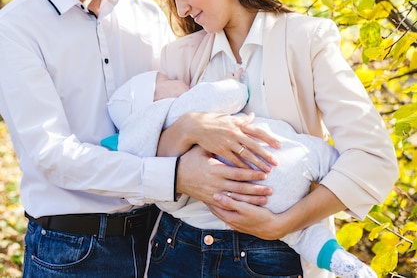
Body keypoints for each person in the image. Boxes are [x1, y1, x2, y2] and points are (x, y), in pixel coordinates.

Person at [0, 0, 277, 278]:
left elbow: (185, 102)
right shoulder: (15, 29)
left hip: (164, 243)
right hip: (72, 251)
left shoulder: (147, 16)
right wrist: (175, 176)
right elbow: (51, 155)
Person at [144, 0, 399, 278]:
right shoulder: (179, 57)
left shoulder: (305, 40)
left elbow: (373, 158)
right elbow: (149, 163)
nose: (182, 10)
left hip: (276, 253)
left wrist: (283, 224)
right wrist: (188, 129)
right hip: (178, 249)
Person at [102, 71, 377, 278]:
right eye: (163, 78)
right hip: (283, 159)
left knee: (300, 235)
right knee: (322, 160)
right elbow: (235, 94)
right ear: (154, 96)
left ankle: (338, 259)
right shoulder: (179, 107)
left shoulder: (142, 150)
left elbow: (170, 199)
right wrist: (230, 82)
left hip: (240, 208)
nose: (173, 76)